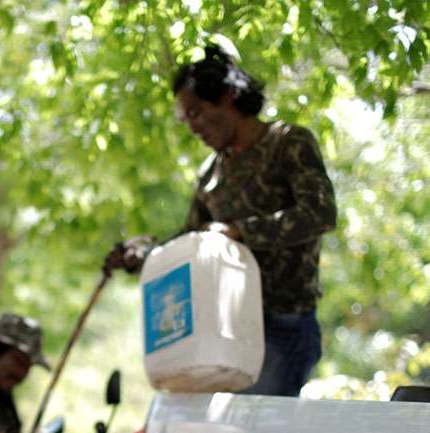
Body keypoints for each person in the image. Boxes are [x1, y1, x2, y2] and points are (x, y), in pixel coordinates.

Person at [105, 43, 337, 397]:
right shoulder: (211, 174)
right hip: (224, 328)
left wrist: (241, 232)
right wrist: (140, 254)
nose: (193, 127)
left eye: (196, 112)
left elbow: (319, 213)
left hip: (283, 324)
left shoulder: (286, 143)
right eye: (186, 120)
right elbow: (190, 239)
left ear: (228, 95)